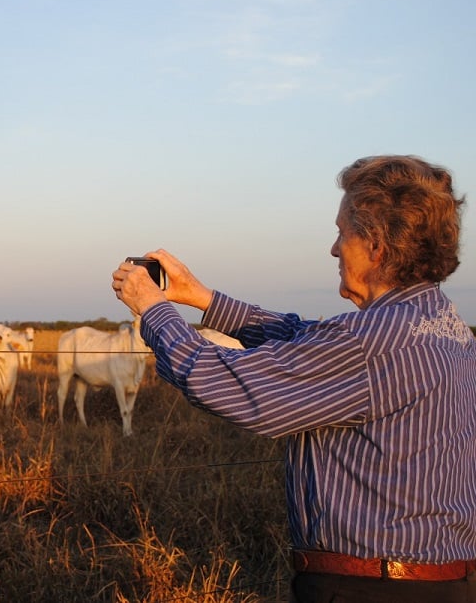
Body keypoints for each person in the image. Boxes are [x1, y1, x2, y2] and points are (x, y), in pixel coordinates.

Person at [111, 155, 476, 602]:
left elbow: (224, 382)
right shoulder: (445, 326)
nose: (335, 248)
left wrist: (153, 309)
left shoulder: (374, 341)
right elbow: (306, 338)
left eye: (343, 232)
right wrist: (202, 298)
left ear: (377, 245)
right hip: (442, 584)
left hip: (370, 589)